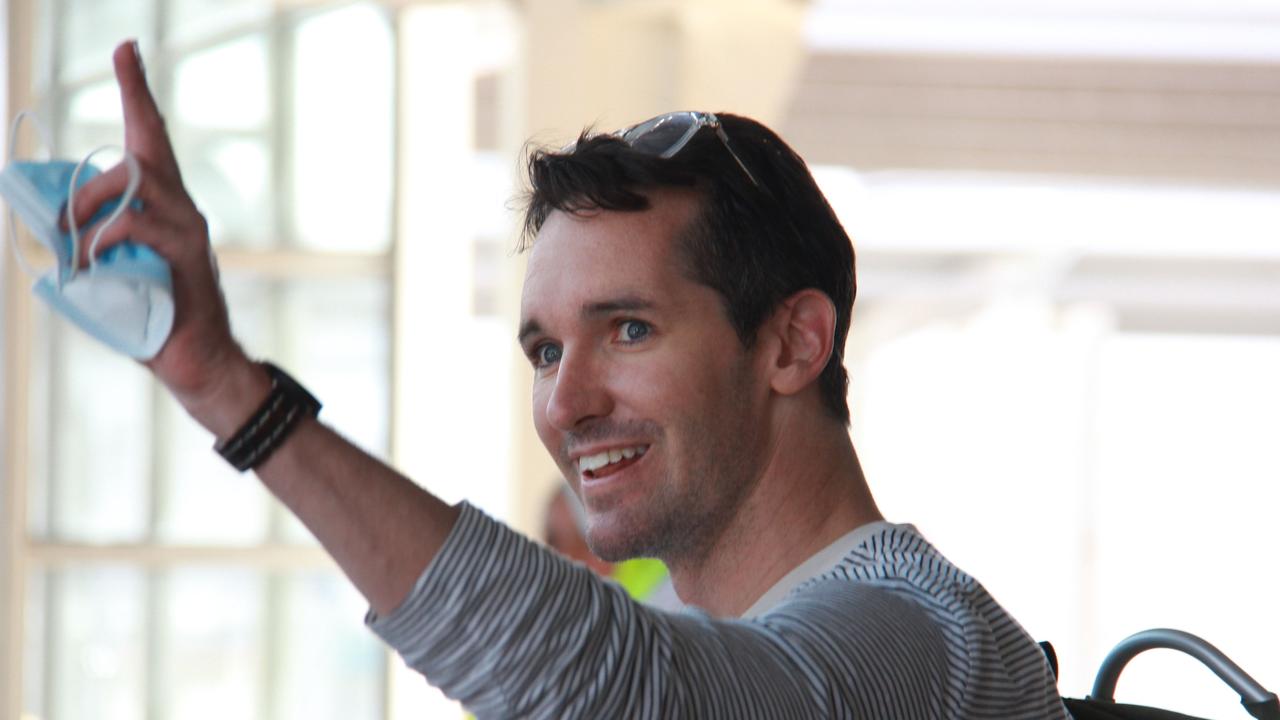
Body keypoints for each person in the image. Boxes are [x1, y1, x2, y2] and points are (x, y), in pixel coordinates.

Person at [72, 41, 1068, 717]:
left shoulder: (917, 643)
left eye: (627, 329)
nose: (563, 403)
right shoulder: (697, 620)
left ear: (790, 345)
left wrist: (231, 393)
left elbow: (624, 690)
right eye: (544, 350)